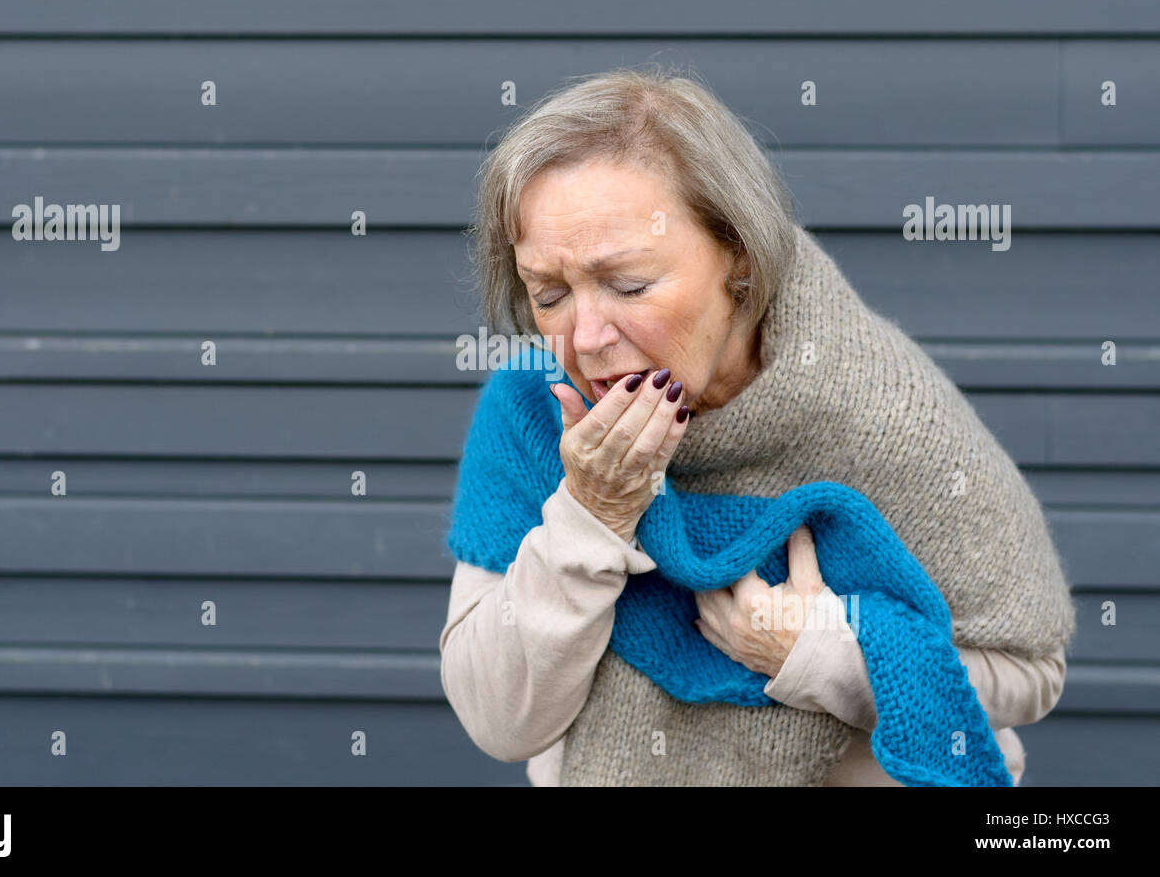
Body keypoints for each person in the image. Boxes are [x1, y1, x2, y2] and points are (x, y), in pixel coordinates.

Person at [440, 66, 1074, 786]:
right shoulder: (534, 410)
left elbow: (1031, 669)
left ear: (738, 257)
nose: (585, 338)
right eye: (549, 294)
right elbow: (498, 720)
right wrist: (590, 515)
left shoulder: (880, 411)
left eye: (629, 285)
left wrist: (818, 650)